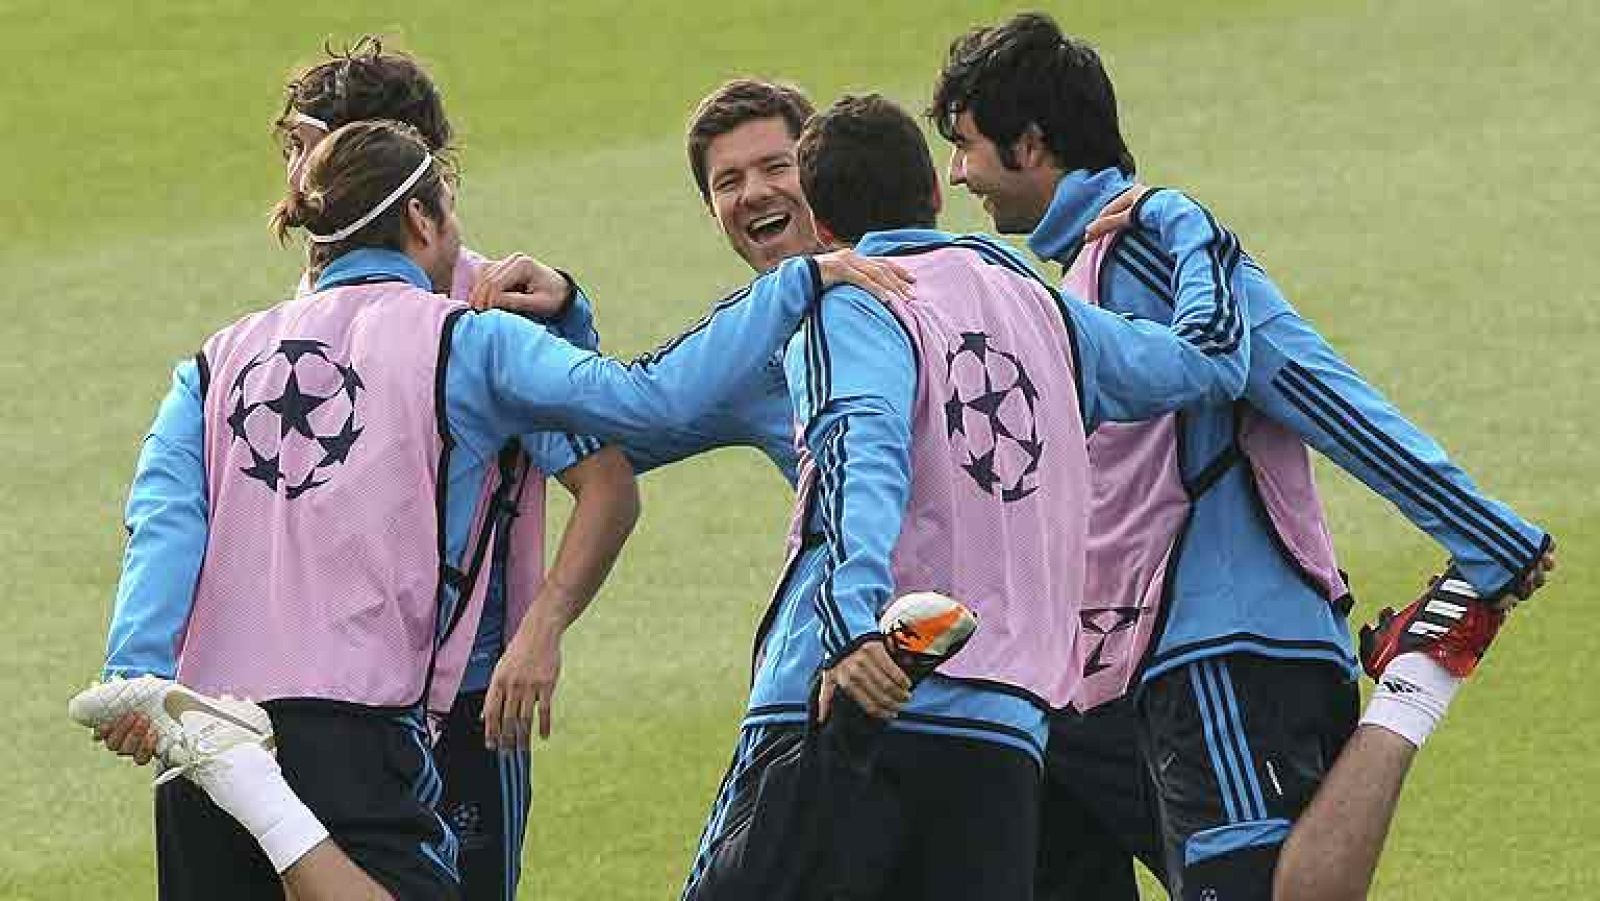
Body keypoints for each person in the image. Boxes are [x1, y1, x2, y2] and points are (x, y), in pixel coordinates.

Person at [83, 118, 911, 898]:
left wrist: (135, 675)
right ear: (421, 217)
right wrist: (798, 281)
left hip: (195, 740)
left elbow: (163, 525)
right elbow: (648, 400)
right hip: (355, 730)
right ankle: (258, 789)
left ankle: (243, 775)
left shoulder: (211, 361)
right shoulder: (464, 338)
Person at [927, 12, 1555, 899]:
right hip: (1183, 659)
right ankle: (1415, 678)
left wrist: (1485, 534)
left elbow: (1305, 379)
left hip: (1223, 649)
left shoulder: (1151, 246)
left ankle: (1420, 671)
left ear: (1030, 144)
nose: (958, 176)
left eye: (967, 147)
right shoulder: (1096, 264)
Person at [684, 93, 1256, 901]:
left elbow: (861, 457)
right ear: (933, 191)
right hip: (1002, 734)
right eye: (730, 180)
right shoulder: (1045, 310)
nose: (755, 194)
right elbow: (1210, 363)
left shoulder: (843, 307)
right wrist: (1187, 227)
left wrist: (853, 629)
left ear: (821, 218)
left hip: (855, 700)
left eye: (775, 171)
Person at [267, 40, 631, 901]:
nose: (294, 175)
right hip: (325, 699)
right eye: (291, 148)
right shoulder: (297, 317)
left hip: (460, 702)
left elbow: (608, 483)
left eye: (310, 146)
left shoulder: (487, 310)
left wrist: (541, 631)